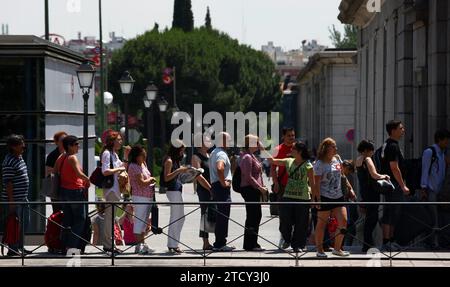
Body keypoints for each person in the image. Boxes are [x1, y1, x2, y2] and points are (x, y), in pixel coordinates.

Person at [267, 142, 314, 253]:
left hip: (303, 198)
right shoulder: (288, 161)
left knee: (301, 224)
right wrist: (262, 148)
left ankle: (297, 245)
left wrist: (314, 199)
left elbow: (313, 184)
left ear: (299, 151)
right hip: (287, 196)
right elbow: (272, 161)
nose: (291, 150)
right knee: (284, 220)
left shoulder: (308, 165)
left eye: (293, 149)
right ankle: (287, 239)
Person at [312, 138, 355, 258]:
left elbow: (342, 175)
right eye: (334, 146)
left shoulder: (337, 159)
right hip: (325, 197)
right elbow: (316, 184)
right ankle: (320, 250)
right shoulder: (319, 164)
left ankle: (337, 249)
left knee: (344, 221)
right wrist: (318, 199)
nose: (336, 148)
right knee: (322, 224)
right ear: (326, 148)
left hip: (339, 195)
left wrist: (350, 188)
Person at [55, 135, 90, 253]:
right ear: (69, 146)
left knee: (68, 220)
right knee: (80, 220)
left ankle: (64, 246)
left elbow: (55, 172)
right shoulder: (72, 158)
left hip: (64, 192)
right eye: (76, 144)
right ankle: (72, 246)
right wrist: (88, 180)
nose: (78, 146)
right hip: (75, 192)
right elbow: (79, 174)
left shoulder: (61, 157)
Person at [355, 140, 390, 253]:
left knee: (368, 219)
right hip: (372, 192)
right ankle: (368, 245)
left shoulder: (358, 160)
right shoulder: (368, 159)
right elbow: (374, 175)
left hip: (364, 191)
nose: (373, 152)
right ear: (366, 150)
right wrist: (384, 176)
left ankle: (367, 244)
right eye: (371, 150)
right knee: (372, 219)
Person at [380, 120, 409, 252]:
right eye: (401, 128)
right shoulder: (392, 146)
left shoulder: (388, 144)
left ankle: (390, 241)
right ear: (393, 130)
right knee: (391, 212)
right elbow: (394, 167)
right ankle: (386, 242)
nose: (403, 130)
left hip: (392, 184)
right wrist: (402, 186)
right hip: (394, 185)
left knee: (393, 212)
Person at [420, 129, 450, 249]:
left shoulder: (443, 153)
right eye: (446, 140)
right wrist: (423, 188)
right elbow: (425, 170)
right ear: (439, 140)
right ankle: (432, 243)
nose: (447, 143)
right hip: (431, 190)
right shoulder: (429, 152)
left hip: (441, 191)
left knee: (442, 217)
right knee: (433, 218)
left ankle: (441, 241)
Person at [1, 134, 30, 256]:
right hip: (14, 200)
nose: (23, 146)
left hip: (23, 197)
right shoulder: (9, 161)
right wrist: (11, 201)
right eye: (20, 144)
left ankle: (20, 247)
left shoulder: (20, 157)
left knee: (24, 224)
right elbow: (8, 183)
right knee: (14, 224)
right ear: (13, 146)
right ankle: (12, 249)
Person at [239, 135, 268, 251]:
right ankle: (250, 244)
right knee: (253, 216)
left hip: (253, 189)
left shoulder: (252, 156)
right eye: (256, 142)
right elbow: (248, 176)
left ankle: (253, 242)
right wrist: (260, 188)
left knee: (256, 216)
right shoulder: (247, 157)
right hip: (249, 189)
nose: (259, 143)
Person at [101, 131, 127, 254]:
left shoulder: (114, 154)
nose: (121, 142)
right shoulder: (107, 153)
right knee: (109, 218)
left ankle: (111, 244)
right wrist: (119, 169)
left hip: (116, 189)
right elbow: (105, 171)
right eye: (119, 139)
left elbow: (122, 167)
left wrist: (126, 157)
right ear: (112, 141)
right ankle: (107, 245)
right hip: (111, 189)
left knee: (112, 218)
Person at [127, 145, 156, 254]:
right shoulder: (133, 166)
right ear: (136, 156)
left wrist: (150, 181)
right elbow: (141, 182)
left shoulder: (143, 164)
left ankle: (143, 245)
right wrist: (151, 179)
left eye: (145, 155)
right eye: (142, 155)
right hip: (139, 196)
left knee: (144, 222)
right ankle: (139, 245)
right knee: (139, 221)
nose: (144, 157)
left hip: (147, 196)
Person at [162, 140, 190, 254]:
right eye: (181, 150)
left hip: (176, 190)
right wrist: (179, 170)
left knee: (180, 217)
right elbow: (166, 178)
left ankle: (173, 243)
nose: (182, 152)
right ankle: (173, 244)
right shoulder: (169, 160)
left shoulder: (175, 160)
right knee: (176, 217)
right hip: (172, 191)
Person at [209, 132, 235, 252]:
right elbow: (220, 167)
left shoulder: (214, 152)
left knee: (221, 215)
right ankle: (220, 243)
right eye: (228, 140)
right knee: (223, 215)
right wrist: (224, 182)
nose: (230, 142)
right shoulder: (221, 154)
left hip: (216, 186)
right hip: (221, 187)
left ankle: (219, 242)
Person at [271, 127, 296, 247]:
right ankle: (285, 237)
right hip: (283, 186)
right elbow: (272, 168)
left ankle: (295, 240)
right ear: (283, 136)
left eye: (293, 135)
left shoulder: (298, 148)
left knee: (297, 213)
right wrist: (275, 182)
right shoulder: (278, 149)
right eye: (289, 135)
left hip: (297, 186)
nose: (291, 138)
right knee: (284, 213)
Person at [191, 133, 214, 250]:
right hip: (204, 189)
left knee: (213, 214)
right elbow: (198, 176)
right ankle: (205, 242)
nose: (210, 141)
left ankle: (217, 240)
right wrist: (209, 188)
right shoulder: (196, 157)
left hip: (213, 188)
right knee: (204, 215)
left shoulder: (210, 155)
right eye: (207, 139)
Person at [45, 131, 67, 213]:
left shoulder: (69, 154)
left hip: (68, 187)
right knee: (57, 211)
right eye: (62, 140)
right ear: (57, 142)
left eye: (66, 140)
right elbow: (48, 171)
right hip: (56, 187)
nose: (64, 142)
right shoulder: (52, 155)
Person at [342, 160, 358, 247]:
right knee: (347, 225)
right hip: (344, 202)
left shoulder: (348, 176)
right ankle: (343, 245)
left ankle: (345, 245)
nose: (348, 173)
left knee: (350, 225)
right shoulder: (343, 175)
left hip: (347, 202)